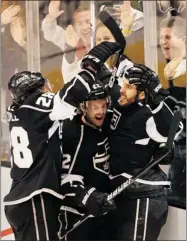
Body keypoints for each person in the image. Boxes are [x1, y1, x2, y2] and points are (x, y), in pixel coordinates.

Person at [3, 66, 116, 240]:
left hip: (19, 200)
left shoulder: (19, 113)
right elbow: (65, 99)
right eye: (44, 87)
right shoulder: (61, 125)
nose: (49, 90)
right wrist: (92, 64)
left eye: (103, 105)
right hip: (36, 198)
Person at [58, 81, 116, 241]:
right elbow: (66, 182)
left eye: (104, 106)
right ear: (83, 107)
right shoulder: (74, 134)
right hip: (77, 216)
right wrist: (88, 196)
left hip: (100, 212)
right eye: (95, 107)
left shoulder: (103, 124)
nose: (101, 111)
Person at [42, 1, 92, 84]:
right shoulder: (70, 39)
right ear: (75, 26)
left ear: (95, 21)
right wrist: (51, 17)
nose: (85, 27)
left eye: (88, 21)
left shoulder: (103, 38)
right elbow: (50, 32)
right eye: (79, 23)